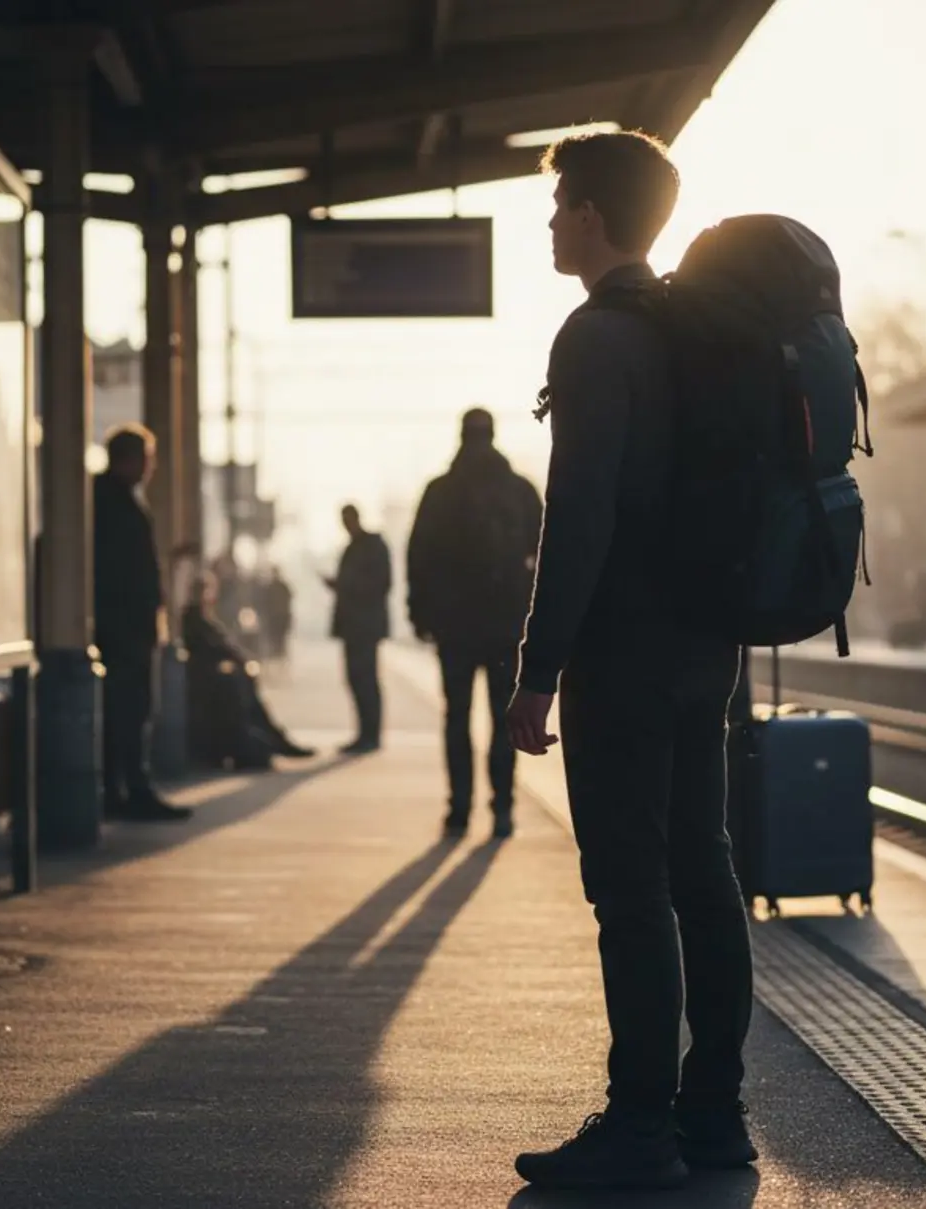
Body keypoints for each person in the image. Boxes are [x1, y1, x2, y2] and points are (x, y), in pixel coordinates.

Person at [505, 131, 755, 1191]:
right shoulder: (692, 327)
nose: (551, 221)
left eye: (561, 204)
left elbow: (581, 516)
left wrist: (537, 666)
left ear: (596, 216)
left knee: (630, 889)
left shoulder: (596, 337)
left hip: (627, 651)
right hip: (709, 642)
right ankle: (714, 1120)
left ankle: (639, 1125)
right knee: (705, 873)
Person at [407, 407, 544, 839]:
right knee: (505, 718)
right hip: (507, 626)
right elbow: (550, 552)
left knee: (457, 718)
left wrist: (420, 613)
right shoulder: (520, 491)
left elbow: (418, 557)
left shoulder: (440, 492)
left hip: (455, 628)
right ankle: (502, 808)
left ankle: (459, 809)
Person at [93, 425, 189, 822]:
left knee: (127, 711)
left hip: (123, 626)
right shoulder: (117, 505)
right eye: (147, 460)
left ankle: (123, 787)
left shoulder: (105, 500)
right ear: (131, 460)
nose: (150, 468)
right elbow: (127, 572)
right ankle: (131, 788)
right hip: (125, 630)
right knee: (130, 711)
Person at [180, 574, 313, 767]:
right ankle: (275, 738)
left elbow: (223, 647)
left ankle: (274, 737)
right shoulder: (194, 619)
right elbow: (214, 648)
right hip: (206, 679)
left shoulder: (203, 618)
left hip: (213, 675)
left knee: (247, 689)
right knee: (244, 689)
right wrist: (239, 661)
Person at [323, 504, 392, 754]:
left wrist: (344, 584)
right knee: (356, 678)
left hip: (364, 624)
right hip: (355, 625)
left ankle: (370, 734)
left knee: (365, 679)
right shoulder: (355, 548)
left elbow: (379, 584)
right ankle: (365, 733)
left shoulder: (371, 547)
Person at [260, 567, 294, 661]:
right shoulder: (274, 586)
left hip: (279, 616)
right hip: (276, 616)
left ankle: (279, 654)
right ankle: (277, 654)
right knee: (276, 637)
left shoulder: (279, 586)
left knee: (279, 637)